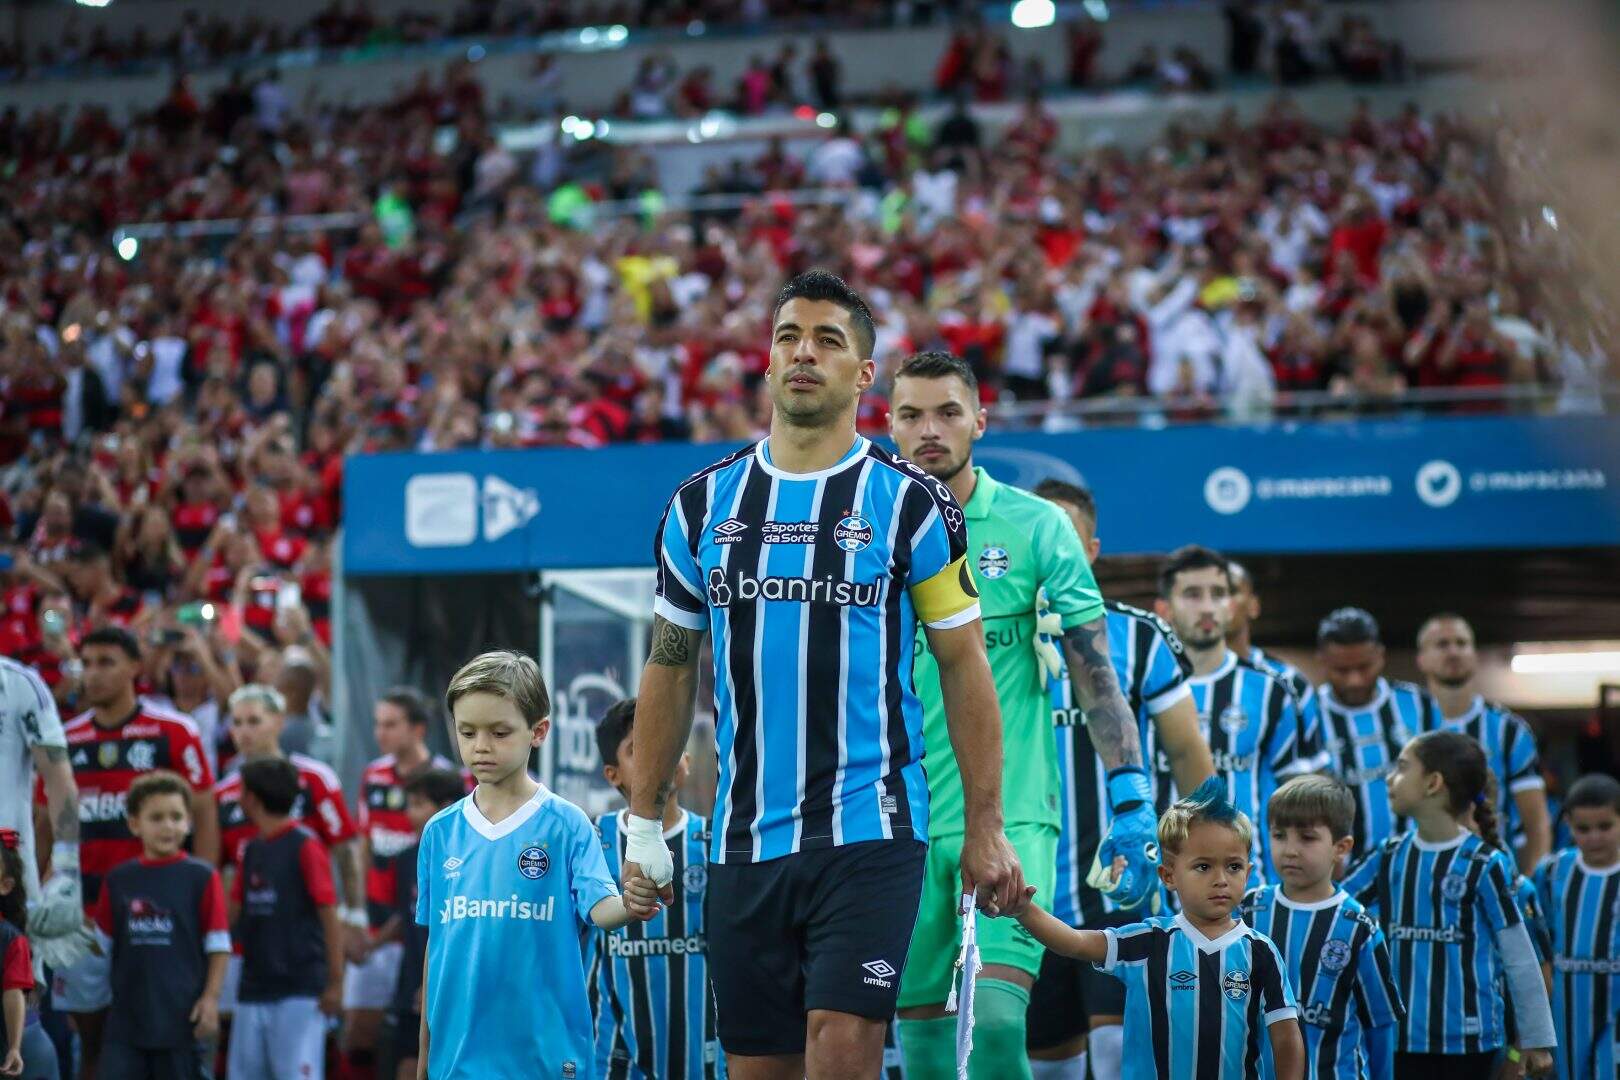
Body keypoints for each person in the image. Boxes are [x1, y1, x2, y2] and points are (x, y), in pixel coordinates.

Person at [624, 271, 1042, 1078]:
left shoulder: (913, 504)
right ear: (769, 364)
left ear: (863, 375)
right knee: (760, 1069)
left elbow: (965, 665)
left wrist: (986, 825)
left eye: (828, 340)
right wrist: (646, 822)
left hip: (871, 831)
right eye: (788, 337)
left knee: (843, 1046)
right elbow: (670, 666)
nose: (803, 353)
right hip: (744, 840)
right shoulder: (700, 507)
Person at [886, 352, 1150, 1080]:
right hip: (898, 825)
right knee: (928, 1049)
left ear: (980, 419)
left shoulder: (1037, 527)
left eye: (946, 412)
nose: (929, 429)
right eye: (911, 414)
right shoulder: (869, 533)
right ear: (887, 425)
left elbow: (1097, 673)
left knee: (999, 1027)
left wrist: (1132, 793)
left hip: (1013, 817)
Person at [1027, 479, 1216, 1080]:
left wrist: (1210, 860)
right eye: (1042, 536)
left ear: (1091, 549)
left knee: (1118, 1060)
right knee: (1047, 1064)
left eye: (1067, 537)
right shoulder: (990, 633)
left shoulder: (1139, 636)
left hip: (1127, 893)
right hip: (1027, 892)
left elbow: (1188, 751)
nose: (1053, 550)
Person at [415, 651, 656, 1079]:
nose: (480, 746)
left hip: (545, 1060)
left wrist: (632, 902)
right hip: (456, 1065)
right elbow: (437, 950)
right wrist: (424, 1061)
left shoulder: (567, 824)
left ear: (538, 731)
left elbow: (602, 911)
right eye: (467, 732)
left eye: (499, 732)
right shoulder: (439, 832)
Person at [1012, 778, 1306, 1079]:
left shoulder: (1260, 951)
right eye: (1203, 867)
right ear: (1168, 876)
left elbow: (1286, 1037)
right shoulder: (1148, 941)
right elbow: (1074, 942)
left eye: (1233, 866)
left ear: (1249, 872)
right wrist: (1024, 910)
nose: (1221, 879)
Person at [40, 626, 217, 1080]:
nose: (93, 675)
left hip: (160, 915)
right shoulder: (66, 739)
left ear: (136, 669)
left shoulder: (174, 732)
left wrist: (208, 888)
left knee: (166, 1035)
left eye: (106, 663)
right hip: (82, 916)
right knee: (94, 1043)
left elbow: (203, 813)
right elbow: (45, 822)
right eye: (87, 664)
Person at [1342, 732, 1555, 1078]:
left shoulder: (1485, 863)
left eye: (1401, 768)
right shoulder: (1388, 856)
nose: (1389, 778)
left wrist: (1534, 1039)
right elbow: (1337, 907)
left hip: (1470, 1044)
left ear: (1433, 783)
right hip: (1401, 1038)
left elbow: (1519, 956)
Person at [1155, 547, 1319, 883]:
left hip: (1248, 888)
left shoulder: (1273, 691)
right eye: (1192, 594)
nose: (1207, 606)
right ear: (1164, 609)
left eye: (1219, 594)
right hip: (1157, 892)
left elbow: (1299, 801)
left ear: (1231, 605)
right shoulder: (1140, 691)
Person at [590, 697, 723, 1078]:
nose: (660, 755)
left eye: (669, 741)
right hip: (615, 1052)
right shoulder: (592, 840)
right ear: (613, 774)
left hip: (707, 1051)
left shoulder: (715, 840)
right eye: (640, 748)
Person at [1242, 774, 1404, 1078]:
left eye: (1307, 838)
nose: (1290, 849)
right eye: (1279, 835)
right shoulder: (1250, 910)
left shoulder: (1359, 928)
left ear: (1341, 847)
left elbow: (1380, 1025)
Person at [351, 688, 462, 1079]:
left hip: (430, 946)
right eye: (377, 724)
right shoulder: (373, 775)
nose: (381, 733)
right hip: (385, 919)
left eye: (391, 724)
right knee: (364, 1031)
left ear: (418, 729)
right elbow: (363, 845)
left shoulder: (454, 779)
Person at [91, 771, 230, 1080]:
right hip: (126, 1024)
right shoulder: (118, 880)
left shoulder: (202, 877)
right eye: (156, 817)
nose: (168, 825)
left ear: (189, 822)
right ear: (134, 823)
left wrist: (210, 999)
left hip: (181, 1022)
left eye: (176, 816)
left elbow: (219, 945)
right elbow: (100, 948)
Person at [227, 756, 346, 1080]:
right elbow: (232, 913)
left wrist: (335, 983)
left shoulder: (305, 845)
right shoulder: (252, 849)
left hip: (300, 988)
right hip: (254, 985)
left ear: (250, 797)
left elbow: (329, 915)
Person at [1415, 614, 1551, 874]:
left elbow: (1536, 822)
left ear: (1475, 655)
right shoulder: (1404, 726)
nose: (1454, 651)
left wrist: (1532, 883)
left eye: (1462, 643)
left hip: (1490, 876)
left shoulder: (1509, 730)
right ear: (1421, 659)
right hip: (1418, 876)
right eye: (1442, 644)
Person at [1313, 609, 1443, 861]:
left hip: (1415, 865)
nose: (1354, 680)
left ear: (1380, 656)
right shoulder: (1305, 715)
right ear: (1322, 660)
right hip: (1338, 877)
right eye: (1341, 670)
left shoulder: (1420, 705)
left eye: (1364, 667)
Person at [1532, 772, 1620, 1080]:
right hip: (1566, 1013)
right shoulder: (1553, 871)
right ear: (1568, 823)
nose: (1594, 837)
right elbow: (1537, 934)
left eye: (1605, 827)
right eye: (1583, 828)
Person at [0, 656, 81, 979]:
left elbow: (59, 779)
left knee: (16, 1014)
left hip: (6, 886)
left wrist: (67, 868)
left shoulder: (20, 685)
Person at [383, 768, 463, 1080]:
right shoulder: (406, 858)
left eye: (418, 804)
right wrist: (371, 944)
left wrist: (432, 982)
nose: (410, 813)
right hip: (410, 979)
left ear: (445, 805)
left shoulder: (468, 856)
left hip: (447, 979)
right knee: (406, 1064)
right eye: (409, 803)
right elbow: (407, 916)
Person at [1226, 560, 1320, 745]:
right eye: (1213, 593)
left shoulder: (1291, 684)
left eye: (1231, 591)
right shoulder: (1170, 681)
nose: (1220, 602)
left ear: (1254, 605)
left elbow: (1309, 770)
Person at [1, 829, 55, 1080]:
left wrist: (14, 1048)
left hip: (13, 1049)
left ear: (5, 885)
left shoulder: (10, 938)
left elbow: (13, 993)